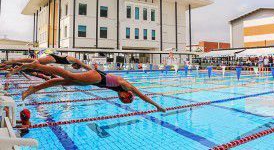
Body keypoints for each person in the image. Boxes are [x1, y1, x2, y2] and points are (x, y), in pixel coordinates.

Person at [12, 61, 166, 112]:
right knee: (68, 76)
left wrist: (83, 65)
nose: (121, 99)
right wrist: (157, 106)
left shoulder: (122, 89)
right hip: (97, 78)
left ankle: (33, 89)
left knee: (62, 81)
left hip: (96, 80)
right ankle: (37, 66)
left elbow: (97, 73)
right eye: (124, 100)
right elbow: (144, 97)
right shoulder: (127, 86)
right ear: (127, 95)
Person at [3, 53, 92, 71]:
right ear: (77, 65)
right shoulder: (75, 60)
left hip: (53, 59)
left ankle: (10, 63)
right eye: (76, 68)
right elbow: (85, 65)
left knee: (32, 61)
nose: (74, 68)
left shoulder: (72, 61)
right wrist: (93, 70)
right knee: (32, 61)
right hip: (53, 58)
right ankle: (11, 62)